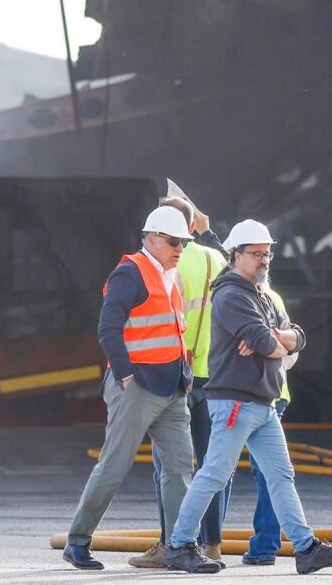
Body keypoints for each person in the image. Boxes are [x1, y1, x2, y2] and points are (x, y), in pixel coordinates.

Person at [162, 219, 332, 575]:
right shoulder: (231, 295)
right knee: (214, 474)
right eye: (256, 253)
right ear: (236, 255)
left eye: (267, 254)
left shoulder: (261, 294)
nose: (264, 259)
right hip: (236, 401)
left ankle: (305, 548)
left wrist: (275, 339)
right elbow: (268, 341)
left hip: (263, 402)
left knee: (281, 476)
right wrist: (275, 340)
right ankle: (179, 545)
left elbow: (297, 336)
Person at [62, 206, 196, 571]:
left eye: (183, 243)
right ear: (151, 239)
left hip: (171, 386)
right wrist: (125, 376)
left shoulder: (169, 276)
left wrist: (184, 373)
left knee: (180, 468)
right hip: (137, 386)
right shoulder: (130, 273)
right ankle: (77, 542)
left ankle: (179, 546)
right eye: (174, 242)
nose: (180, 249)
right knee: (114, 465)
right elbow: (108, 330)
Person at [130, 197, 232, 569]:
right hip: (215, 374)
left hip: (176, 375)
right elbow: (243, 271)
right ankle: (213, 543)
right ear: (192, 226)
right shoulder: (215, 258)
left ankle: (169, 544)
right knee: (211, 465)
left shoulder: (163, 264)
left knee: (170, 468)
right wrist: (209, 232)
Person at [241, 284, 299, 566]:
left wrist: (262, 347)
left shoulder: (230, 297)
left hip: (241, 395)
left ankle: (201, 543)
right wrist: (273, 349)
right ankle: (265, 546)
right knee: (271, 474)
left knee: (215, 470)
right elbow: (289, 353)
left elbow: (292, 349)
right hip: (269, 394)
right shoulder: (271, 297)